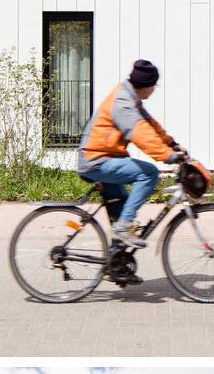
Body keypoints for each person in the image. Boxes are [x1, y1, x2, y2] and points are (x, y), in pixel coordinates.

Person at [77, 59, 181, 246]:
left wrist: (172, 145)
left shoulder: (130, 98)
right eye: (154, 85)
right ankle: (124, 227)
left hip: (105, 157)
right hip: (96, 161)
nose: (154, 89)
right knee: (148, 173)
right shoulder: (123, 102)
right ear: (147, 85)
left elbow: (151, 125)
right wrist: (167, 156)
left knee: (121, 209)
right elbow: (140, 133)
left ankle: (117, 265)